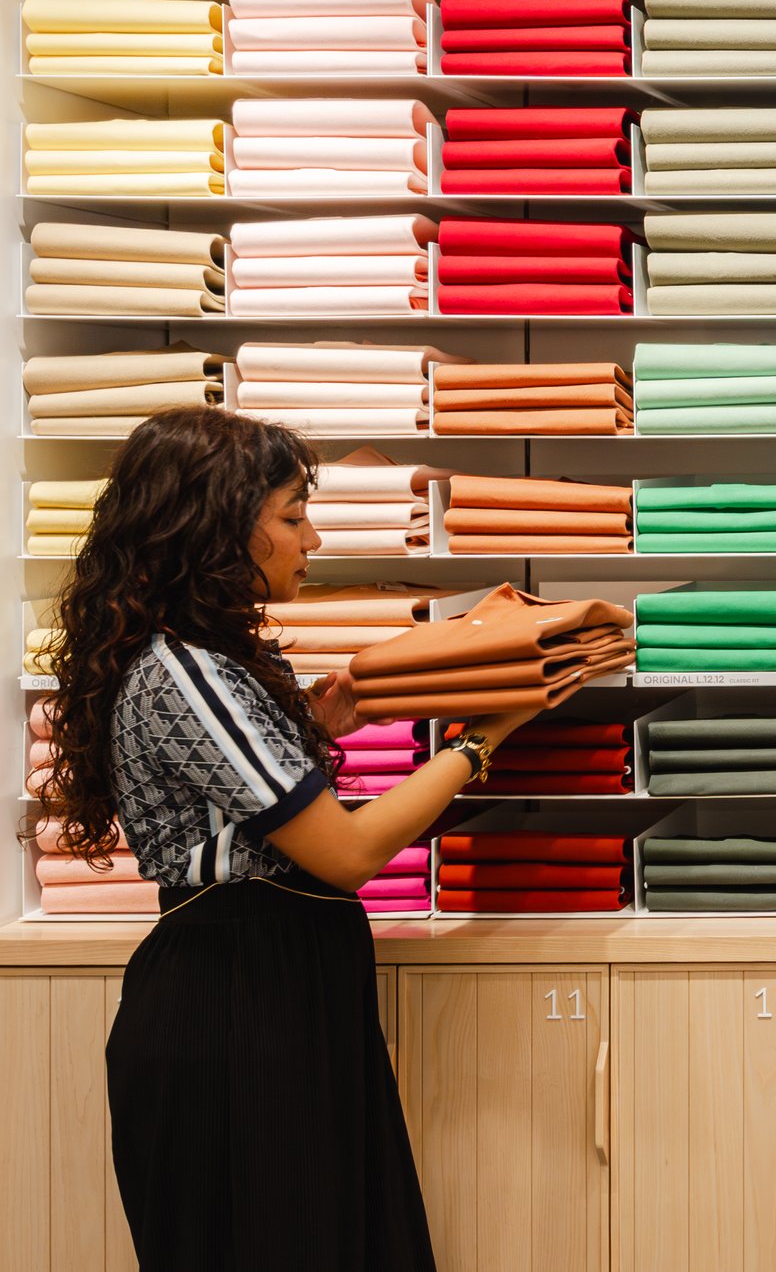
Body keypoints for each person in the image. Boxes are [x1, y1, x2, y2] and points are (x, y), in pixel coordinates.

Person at [35, 407, 540, 1271]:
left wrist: (308, 724)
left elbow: (230, 806)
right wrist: (477, 742)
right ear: (219, 528)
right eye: (294, 515)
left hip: (275, 995)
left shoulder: (208, 659)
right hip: (237, 1007)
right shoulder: (185, 671)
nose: (313, 538)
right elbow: (347, 852)